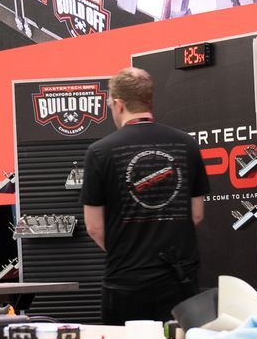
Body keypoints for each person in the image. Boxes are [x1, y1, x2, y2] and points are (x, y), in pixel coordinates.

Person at [80, 67, 208, 324]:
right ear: (148, 100)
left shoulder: (100, 152)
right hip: (179, 281)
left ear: (119, 104)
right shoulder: (186, 144)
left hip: (126, 281)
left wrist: (129, 252)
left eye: (110, 105)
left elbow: (94, 227)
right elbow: (196, 214)